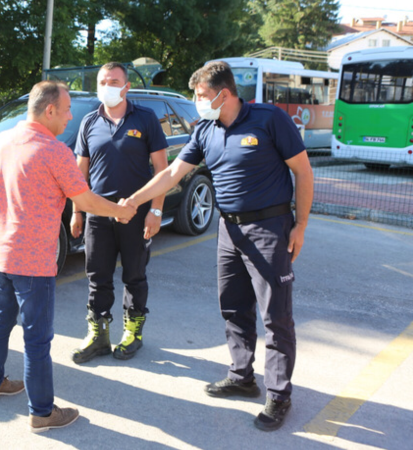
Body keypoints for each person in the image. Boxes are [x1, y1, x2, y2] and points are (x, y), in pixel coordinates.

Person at [124, 61, 313, 431]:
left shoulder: (269, 119)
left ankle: (278, 395)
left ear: (224, 94)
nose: (197, 102)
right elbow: (172, 173)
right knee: (233, 307)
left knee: (275, 316)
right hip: (228, 229)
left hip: (270, 228)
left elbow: (303, 171)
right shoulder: (205, 130)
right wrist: (134, 201)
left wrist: (301, 225)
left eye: (200, 95)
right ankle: (242, 376)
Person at [0, 80, 136, 432]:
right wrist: (120, 212)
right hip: (32, 261)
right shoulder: (54, 151)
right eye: (65, 112)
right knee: (36, 338)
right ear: (49, 110)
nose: (68, 120)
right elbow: (86, 201)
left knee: (0, 319)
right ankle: (43, 413)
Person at [70, 62, 169, 364]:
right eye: (102, 81)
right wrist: (77, 212)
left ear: (126, 87)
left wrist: (155, 210)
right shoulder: (89, 122)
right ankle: (98, 335)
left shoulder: (146, 118)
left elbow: (162, 170)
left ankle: (133, 332)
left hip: (135, 215)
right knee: (97, 276)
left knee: (134, 275)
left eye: (114, 81)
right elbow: (79, 174)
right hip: (98, 214)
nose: (107, 86)